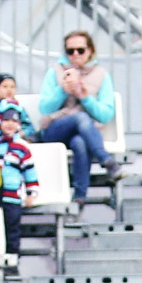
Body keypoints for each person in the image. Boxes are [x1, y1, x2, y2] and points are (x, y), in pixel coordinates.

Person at [39, 29, 120, 198]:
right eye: (70, 51)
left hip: (87, 133)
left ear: (90, 51)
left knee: (80, 143)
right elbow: (45, 108)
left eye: (80, 50)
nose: (75, 54)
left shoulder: (101, 75)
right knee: (80, 117)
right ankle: (106, 159)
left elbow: (105, 115)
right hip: (56, 129)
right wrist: (62, 90)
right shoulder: (55, 72)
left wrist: (85, 98)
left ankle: (80, 199)